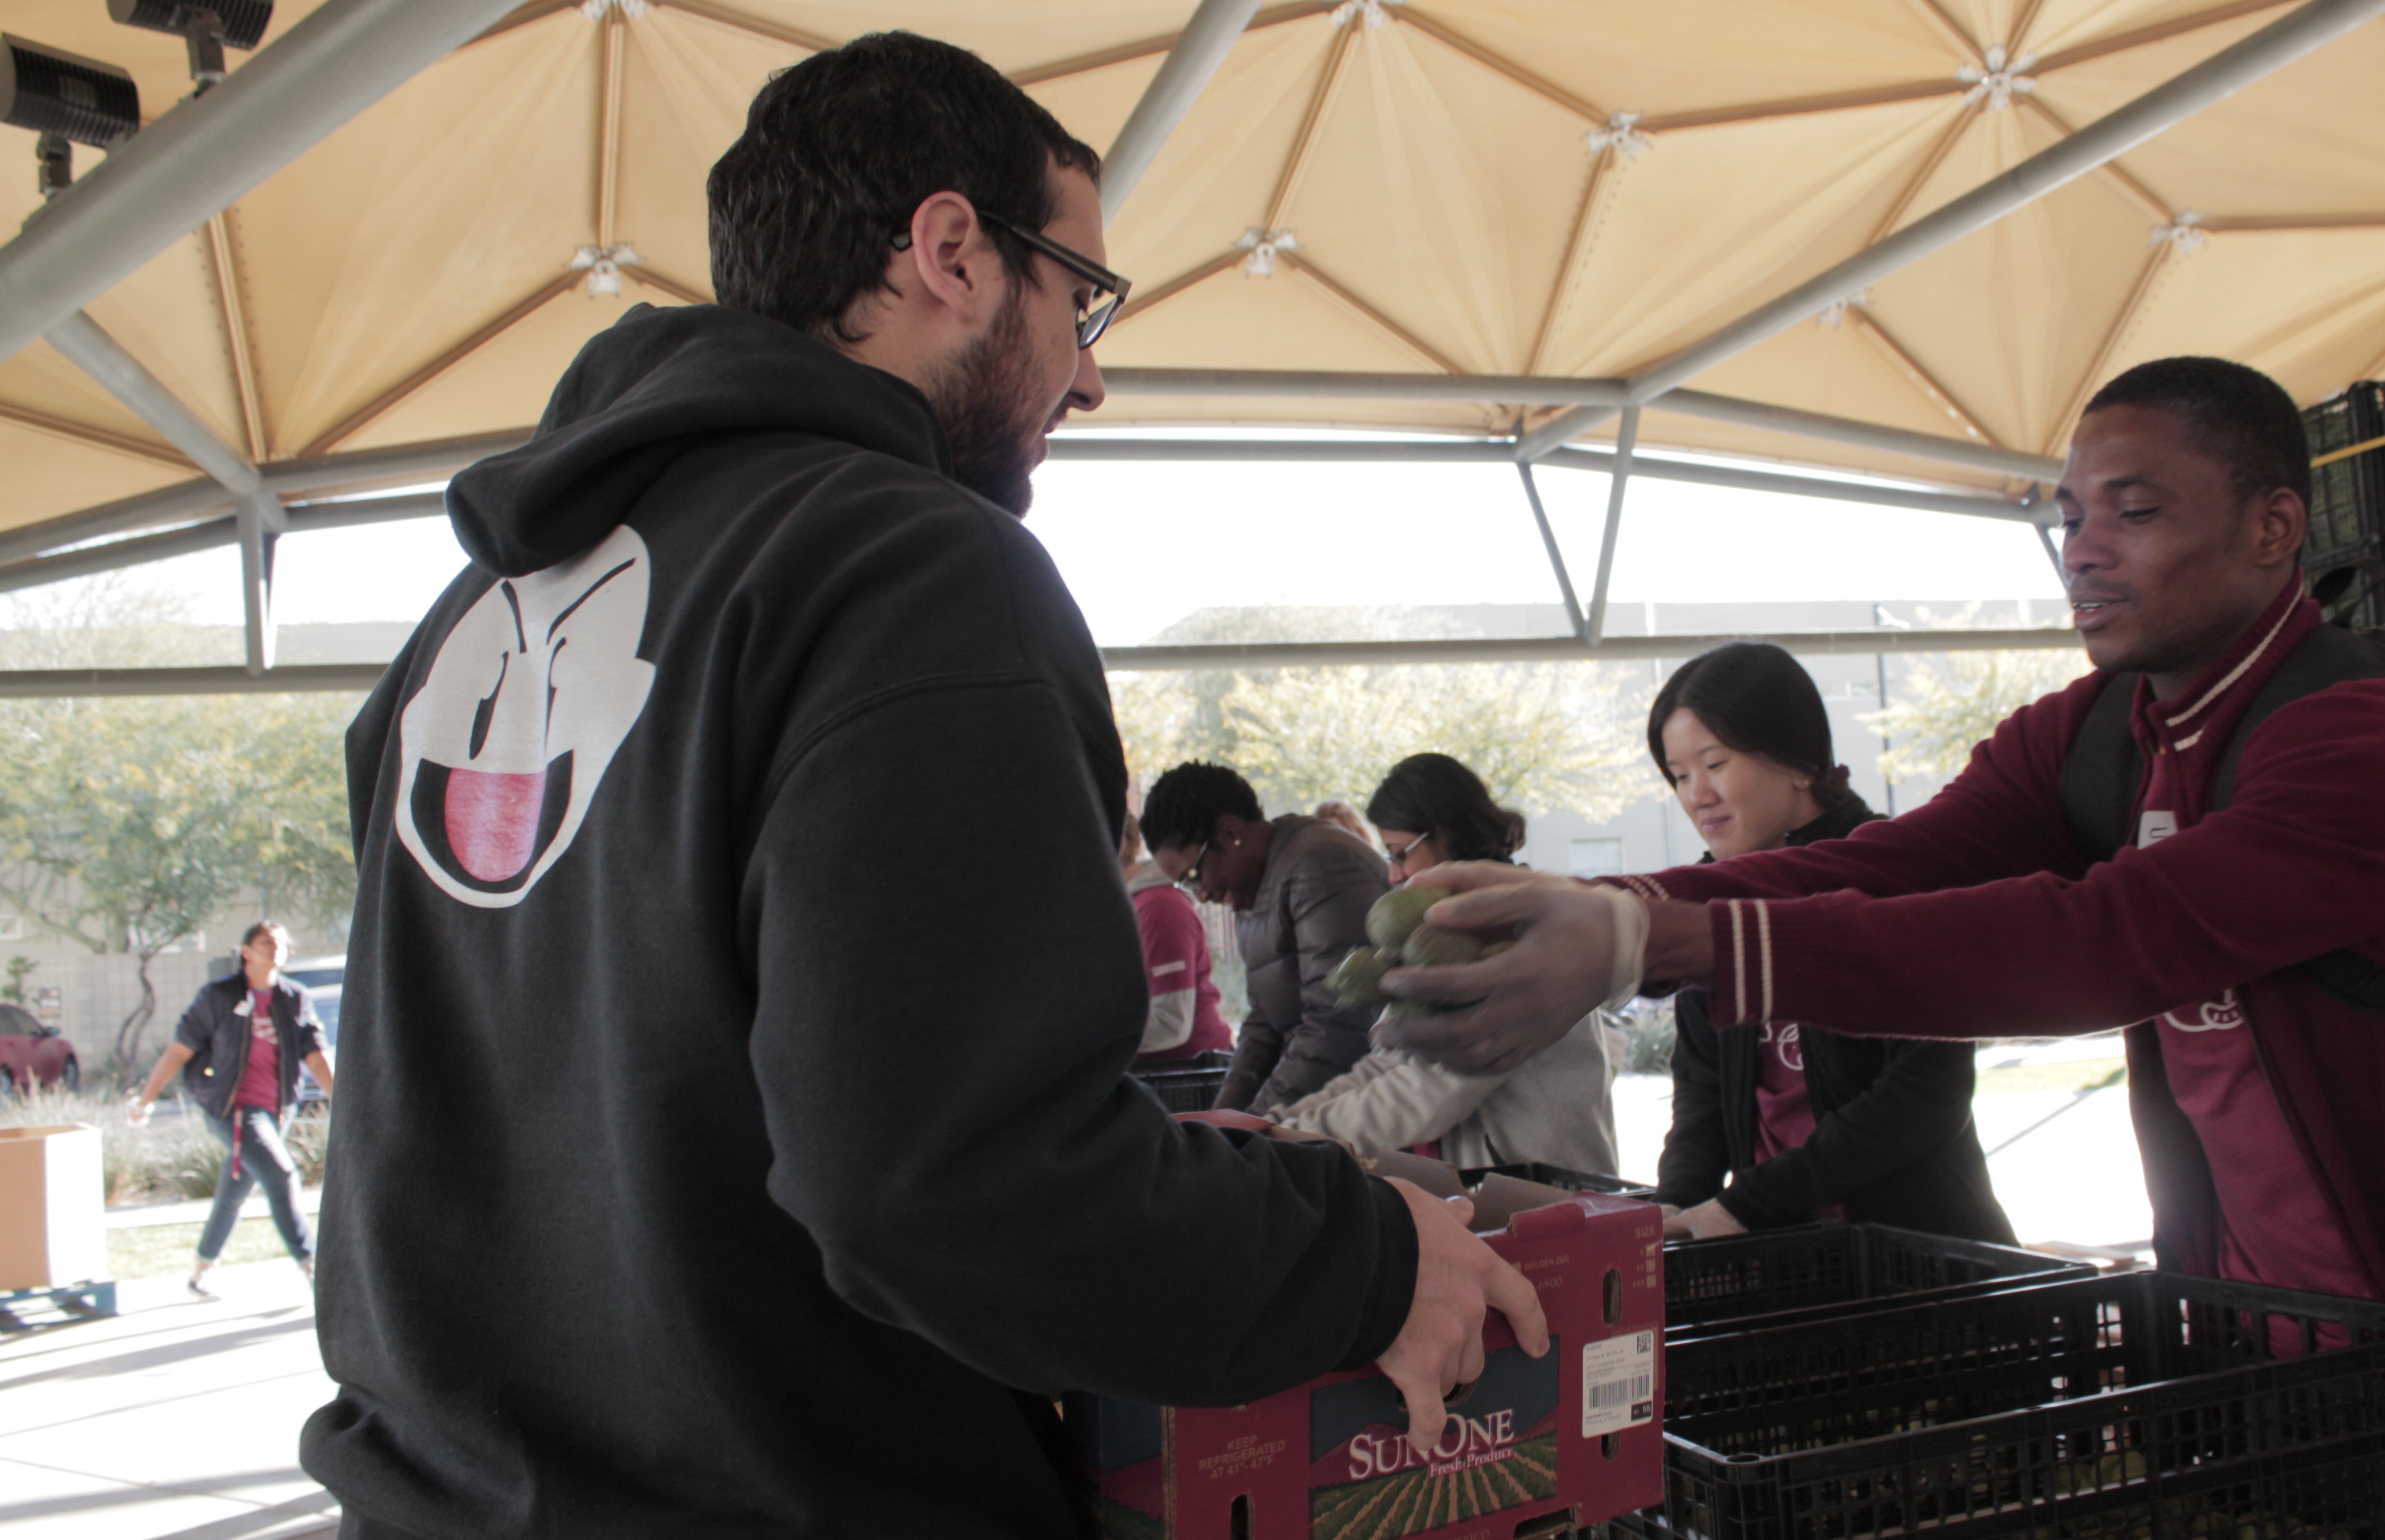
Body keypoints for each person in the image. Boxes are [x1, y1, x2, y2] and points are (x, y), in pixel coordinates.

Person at [302, 35, 1541, 1539]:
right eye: (1081, 298)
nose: (1087, 373)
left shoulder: (471, 624)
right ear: (953, 252)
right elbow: (957, 1188)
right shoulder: (909, 569)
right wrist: (1372, 1263)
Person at [1379, 357, 2385, 1531]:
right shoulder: (2093, 733)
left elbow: (2106, 942)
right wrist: (1597, 907)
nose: (2080, 554)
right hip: (2246, 1350)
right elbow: (1889, 863)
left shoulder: (2365, 743)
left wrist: (1664, 941)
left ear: (2270, 528)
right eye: (2068, 518)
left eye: (2129, 513)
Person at [1645, 645, 2014, 1244]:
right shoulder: (1706, 907)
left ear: (1800, 760)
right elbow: (1702, 1097)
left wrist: (1755, 1202)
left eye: (1715, 763)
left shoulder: (1891, 874)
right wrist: (1674, 1205)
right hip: (1786, 1258)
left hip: (1917, 1262)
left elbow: (1926, 1094)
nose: (1696, 795)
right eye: (1679, 774)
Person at [1273, 753, 1618, 1172]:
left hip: (1553, 1207)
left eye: (1400, 854)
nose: (1394, 875)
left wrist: (1290, 1138)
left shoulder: (1514, 936)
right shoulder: (1443, 936)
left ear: (1446, 836)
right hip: (1493, 1200)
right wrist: (1281, 1127)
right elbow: (1392, 1062)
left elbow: (1423, 1094)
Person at [1141, 762, 1387, 1113]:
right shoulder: (1253, 888)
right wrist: (1224, 1118)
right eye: (1186, 885)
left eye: (1193, 876)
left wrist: (1256, 1125)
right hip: (1319, 1099)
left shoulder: (1320, 863)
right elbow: (1264, 1023)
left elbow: (1338, 1023)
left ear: (1229, 833)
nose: (1202, 895)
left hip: (1361, 1104)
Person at [129, 921, 334, 1297]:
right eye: (265, 942)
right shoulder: (219, 996)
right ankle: (315, 1267)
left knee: (234, 1190)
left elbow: (315, 1054)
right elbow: (179, 1051)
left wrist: (340, 1099)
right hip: (233, 1109)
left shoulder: (295, 998)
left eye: (280, 943)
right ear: (246, 951)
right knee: (282, 1175)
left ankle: (201, 1270)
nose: (275, 948)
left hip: (277, 1112)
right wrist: (145, 1101)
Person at [1120, 811, 1232, 1066]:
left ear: (1119, 845)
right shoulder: (1135, 906)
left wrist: (1090, 1043)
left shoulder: (1158, 907)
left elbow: (1170, 1023)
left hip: (1188, 1072)